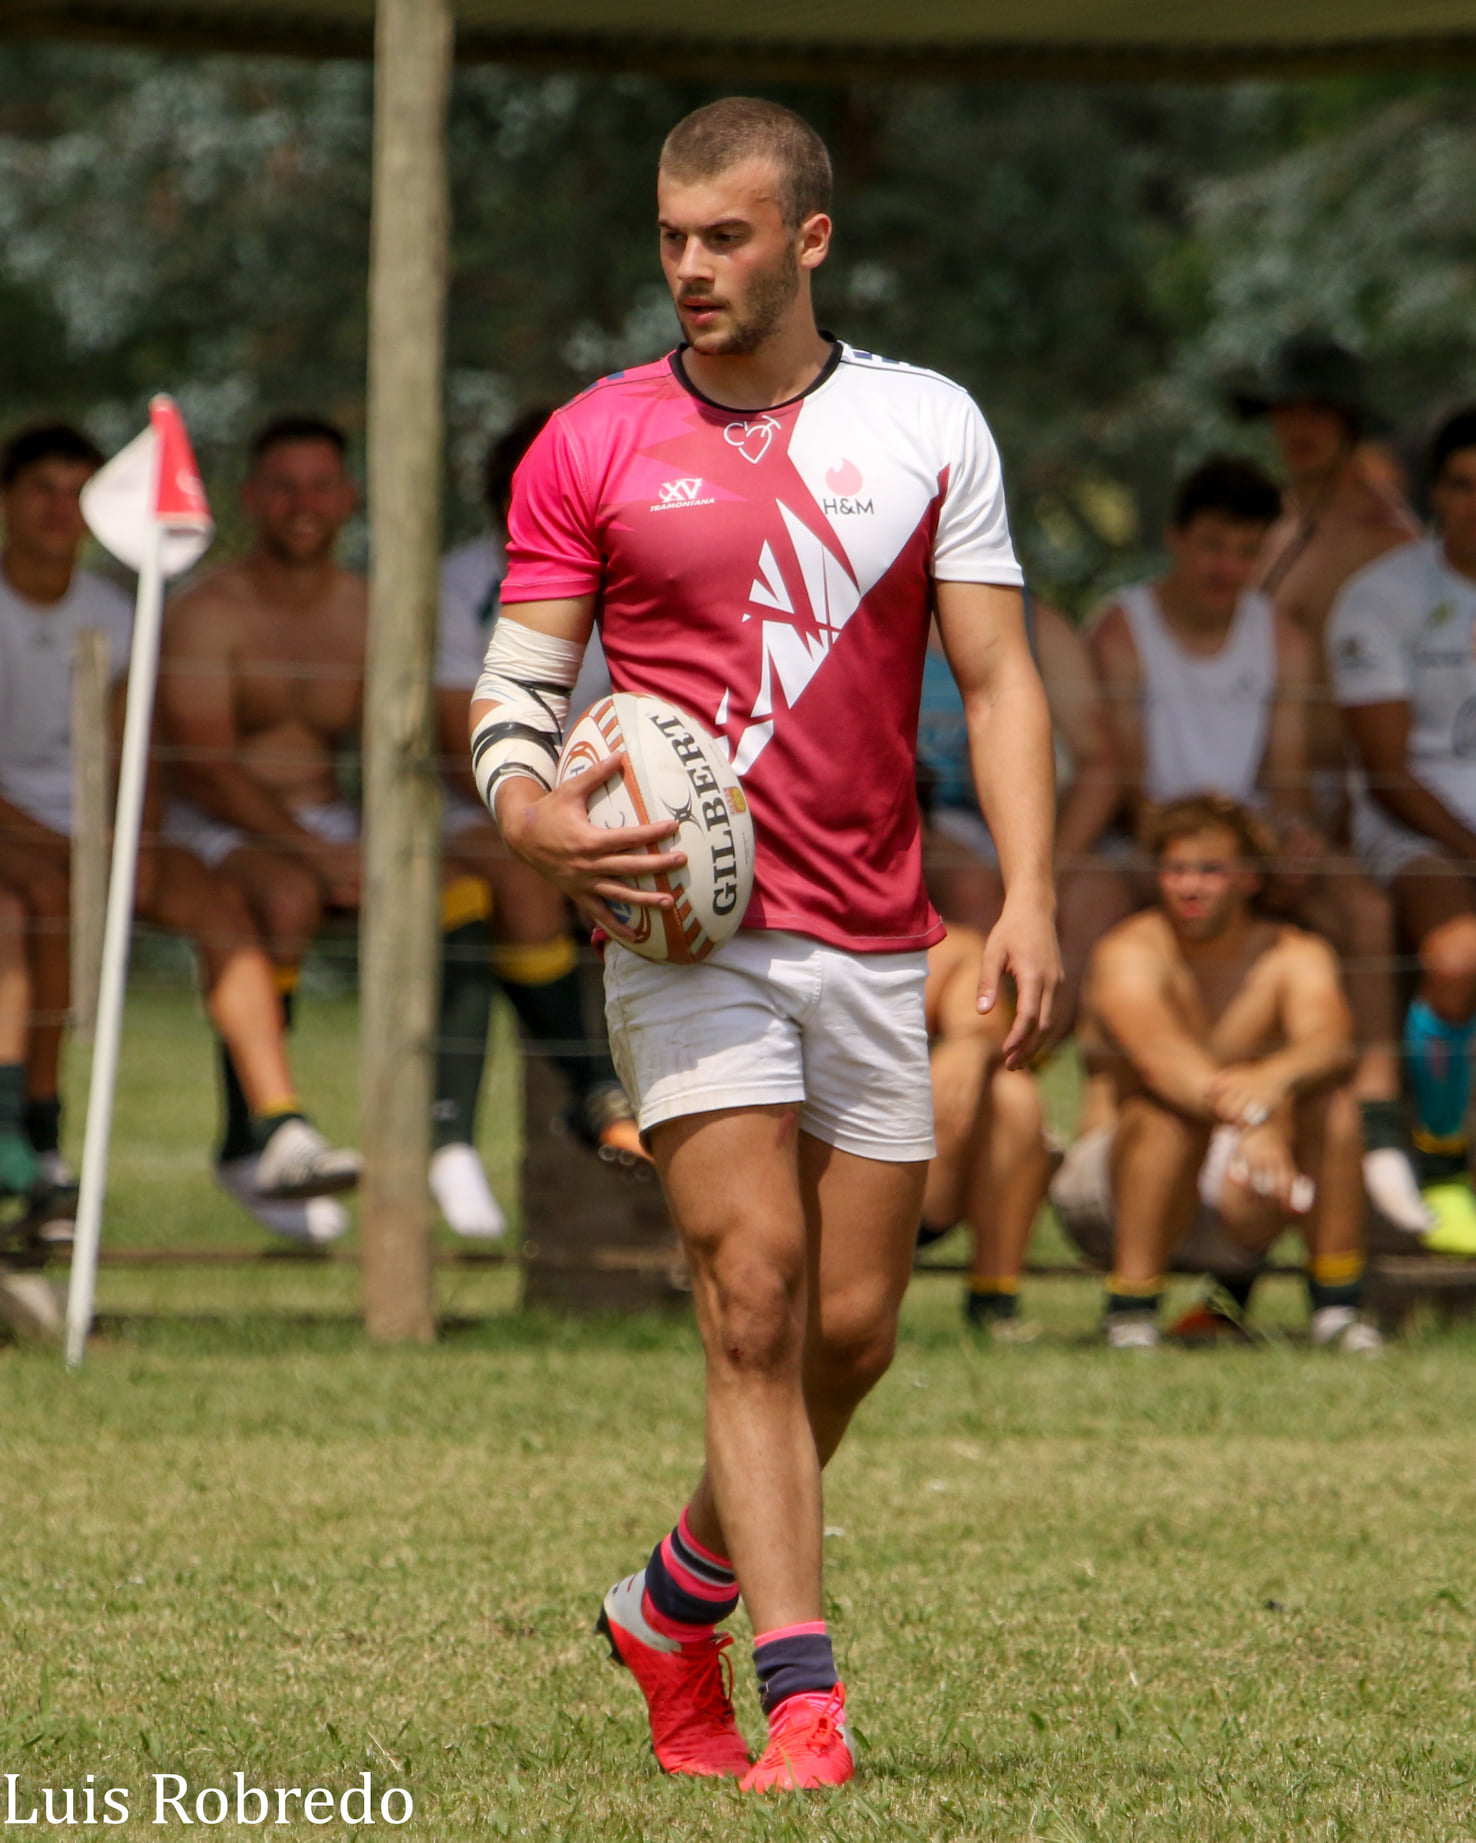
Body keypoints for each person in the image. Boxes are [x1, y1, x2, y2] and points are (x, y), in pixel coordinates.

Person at [469, 98, 1060, 1791]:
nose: (689, 269)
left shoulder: (926, 424)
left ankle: (670, 1602)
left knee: (853, 1328)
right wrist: (534, 814)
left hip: (878, 929)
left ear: (807, 239)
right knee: (753, 1295)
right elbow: (515, 694)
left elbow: (1003, 680)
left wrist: (1028, 892)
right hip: (685, 927)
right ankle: (799, 1694)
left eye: (724, 237)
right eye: (669, 238)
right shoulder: (589, 439)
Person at [0, 423, 359, 1240]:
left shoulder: (117, 611)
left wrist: (138, 843)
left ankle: (278, 1127)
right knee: (38, 907)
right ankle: (33, 1145)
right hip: (24, 839)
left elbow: (136, 759)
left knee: (222, 909)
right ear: (7, 501)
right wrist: (82, 856)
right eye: (40, 490)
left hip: (99, 834)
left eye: (75, 492)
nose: (59, 510)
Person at [158, 415, 504, 1239]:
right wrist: (316, 852)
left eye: (320, 485)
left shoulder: (370, 610)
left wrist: (369, 847)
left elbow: (398, 754)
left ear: (349, 498)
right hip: (214, 825)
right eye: (282, 486)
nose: (302, 504)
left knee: (455, 893)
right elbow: (203, 767)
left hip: (330, 826)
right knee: (283, 897)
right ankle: (261, 1137)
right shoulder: (208, 612)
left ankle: (448, 1139)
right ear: (251, 499)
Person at [1090, 456, 1422, 1239]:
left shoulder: (1279, 636)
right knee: (1083, 905)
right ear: (1175, 539)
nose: (1227, 568)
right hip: (1150, 844)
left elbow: (1288, 780)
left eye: (1245, 551)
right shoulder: (1122, 625)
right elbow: (1130, 784)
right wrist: (1211, 848)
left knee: (1366, 912)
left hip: (1245, 849)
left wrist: (1288, 837)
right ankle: (1094, 1116)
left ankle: (1374, 1125)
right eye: (1211, 546)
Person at [1054, 794, 1379, 1353]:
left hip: (1236, 1187)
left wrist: (1273, 1086)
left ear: (1250, 878)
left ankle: (1338, 1311)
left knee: (1335, 1107)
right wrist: (1259, 1116)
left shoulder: (1292, 954)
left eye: (1210, 870)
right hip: (1109, 1189)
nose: (1189, 887)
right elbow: (1163, 1065)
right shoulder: (1129, 949)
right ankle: (1130, 1316)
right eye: (1175, 869)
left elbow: (1331, 1043)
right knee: (1166, 1115)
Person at [436, 409, 644, 1205]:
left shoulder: (630, 567)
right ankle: (593, 1088)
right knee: (521, 883)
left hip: (606, 802)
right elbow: (457, 736)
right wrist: (533, 811)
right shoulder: (460, 582)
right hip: (481, 808)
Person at [1329, 406, 1476, 1253]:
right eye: (1461, 485)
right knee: (1457, 954)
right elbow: (1386, 767)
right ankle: (1444, 1164)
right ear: (1436, 494)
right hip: (1408, 827)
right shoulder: (1386, 595)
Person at [917, 594, 1126, 1039]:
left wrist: (1043, 877)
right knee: (971, 887)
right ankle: (975, 1032)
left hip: (1021, 817)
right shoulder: (874, 613)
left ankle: (1037, 1041)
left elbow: (1101, 762)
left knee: (1097, 893)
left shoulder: (1041, 626)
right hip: (927, 818)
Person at [1234, 332, 1418, 805]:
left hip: (1356, 793)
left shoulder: (1391, 540)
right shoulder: (1256, 530)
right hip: (1248, 784)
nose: (1300, 427)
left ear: (1349, 422)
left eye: (1317, 411)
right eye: (1286, 409)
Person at [919, 921, 1051, 1339]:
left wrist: (970, 1046)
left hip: (916, 1176)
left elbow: (985, 1023)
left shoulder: (953, 947)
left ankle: (994, 1300)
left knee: (1013, 1095)